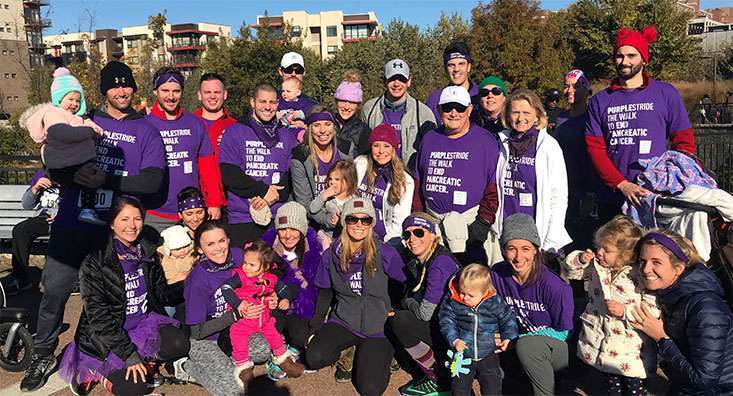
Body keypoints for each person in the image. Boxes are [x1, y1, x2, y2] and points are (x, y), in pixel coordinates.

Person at [21, 61, 166, 392]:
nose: (121, 91)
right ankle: (43, 353)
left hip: (114, 233)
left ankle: (105, 359)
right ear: (103, 91)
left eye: (126, 85)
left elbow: (153, 181)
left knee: (111, 302)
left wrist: (108, 179)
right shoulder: (82, 120)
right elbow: (53, 165)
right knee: (55, 290)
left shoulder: (147, 130)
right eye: (114, 86)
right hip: (73, 222)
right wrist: (71, 176)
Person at [57, 196, 189, 395]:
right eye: (124, 219)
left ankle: (145, 362)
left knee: (179, 343)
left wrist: (190, 283)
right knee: (135, 387)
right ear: (112, 223)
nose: (132, 225)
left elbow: (161, 295)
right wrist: (130, 356)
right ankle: (98, 371)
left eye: (137, 219)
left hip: (143, 326)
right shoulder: (96, 258)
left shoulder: (146, 252)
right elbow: (98, 317)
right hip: (108, 336)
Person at [585, 26, 696, 223]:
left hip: (655, 198)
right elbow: (595, 149)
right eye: (619, 56)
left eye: (631, 55)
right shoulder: (600, 100)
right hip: (613, 198)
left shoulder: (666, 93)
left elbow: (684, 143)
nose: (624, 61)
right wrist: (621, 184)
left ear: (644, 59)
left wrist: (667, 181)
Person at [306, 197, 407, 396]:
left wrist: (395, 314)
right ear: (345, 221)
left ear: (371, 224)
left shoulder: (386, 253)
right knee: (314, 356)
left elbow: (403, 284)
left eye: (365, 220)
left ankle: (382, 354)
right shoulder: (331, 255)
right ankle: (350, 350)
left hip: (379, 326)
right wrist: (315, 327)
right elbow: (325, 292)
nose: (359, 224)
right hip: (345, 320)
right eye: (353, 219)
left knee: (370, 389)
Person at [561, 216, 657, 395]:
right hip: (603, 341)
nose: (599, 252)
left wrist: (625, 311)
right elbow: (572, 272)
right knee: (611, 386)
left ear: (626, 254)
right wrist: (580, 259)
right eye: (599, 247)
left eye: (607, 249)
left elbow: (652, 307)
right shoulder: (597, 266)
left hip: (631, 346)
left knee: (634, 387)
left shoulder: (640, 274)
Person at [631, 230, 733, 395]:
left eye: (656, 262)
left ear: (678, 268)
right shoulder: (671, 294)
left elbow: (704, 379)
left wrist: (662, 339)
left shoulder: (705, 309)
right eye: (642, 261)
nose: (645, 269)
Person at [183, 220, 274, 395]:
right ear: (200, 249)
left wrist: (271, 294)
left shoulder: (240, 257)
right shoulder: (198, 279)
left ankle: (225, 361)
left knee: (263, 349)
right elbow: (197, 332)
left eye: (221, 241)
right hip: (206, 338)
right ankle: (187, 366)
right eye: (210, 244)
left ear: (229, 240)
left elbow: (263, 276)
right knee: (234, 391)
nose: (218, 248)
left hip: (234, 330)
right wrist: (235, 315)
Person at [413, 86, 500, 265]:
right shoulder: (429, 139)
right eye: (447, 108)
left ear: (469, 109)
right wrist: (419, 219)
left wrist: (482, 223)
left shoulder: (485, 141)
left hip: (471, 228)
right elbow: (418, 182)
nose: (454, 113)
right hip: (434, 227)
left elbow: (495, 188)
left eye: (459, 108)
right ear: (439, 110)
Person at [491, 213, 574, 395]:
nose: (518, 257)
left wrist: (516, 340)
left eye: (526, 249)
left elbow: (563, 332)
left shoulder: (554, 286)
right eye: (512, 248)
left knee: (528, 346)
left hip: (558, 348)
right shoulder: (497, 274)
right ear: (503, 249)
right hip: (517, 341)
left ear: (536, 249)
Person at [388, 213, 459, 396]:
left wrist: (406, 302)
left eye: (419, 232)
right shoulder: (421, 258)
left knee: (401, 321)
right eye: (407, 235)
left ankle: (439, 378)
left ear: (432, 235)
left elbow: (425, 313)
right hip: (444, 325)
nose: (412, 239)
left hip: (455, 333)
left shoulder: (439, 263)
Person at [23, 67, 105, 225]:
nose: (74, 104)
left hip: (77, 160)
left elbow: (92, 126)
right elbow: (63, 133)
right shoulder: (54, 114)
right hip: (62, 161)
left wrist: (95, 129)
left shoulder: (77, 117)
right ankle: (64, 212)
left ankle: (87, 209)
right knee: (67, 188)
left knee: (89, 181)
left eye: (78, 100)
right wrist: (88, 132)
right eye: (70, 99)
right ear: (59, 99)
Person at [219, 84, 298, 248]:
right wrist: (262, 191)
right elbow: (230, 173)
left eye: (272, 102)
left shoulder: (286, 135)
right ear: (252, 102)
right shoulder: (235, 132)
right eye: (262, 101)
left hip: (277, 217)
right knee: (246, 269)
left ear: (277, 104)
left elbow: (291, 175)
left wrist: (274, 196)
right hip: (243, 217)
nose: (267, 107)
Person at [494, 88, 571, 253]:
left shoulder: (548, 146)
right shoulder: (501, 143)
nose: (521, 118)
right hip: (506, 228)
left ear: (537, 115)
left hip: (537, 231)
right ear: (507, 115)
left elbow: (558, 196)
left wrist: (550, 241)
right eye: (515, 112)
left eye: (526, 112)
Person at [145, 67, 222, 231]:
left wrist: (214, 202)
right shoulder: (144, 124)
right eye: (165, 90)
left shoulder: (194, 123)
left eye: (176, 91)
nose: (171, 97)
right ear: (155, 91)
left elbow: (207, 166)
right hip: (155, 213)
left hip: (191, 213)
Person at [220, 241, 305, 390]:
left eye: (251, 264)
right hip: (243, 322)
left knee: (275, 336)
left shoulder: (271, 279)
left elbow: (285, 289)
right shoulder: (241, 277)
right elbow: (226, 288)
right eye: (245, 263)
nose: (246, 267)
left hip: (264, 319)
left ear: (265, 267)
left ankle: (285, 362)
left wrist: (285, 298)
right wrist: (238, 304)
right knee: (239, 340)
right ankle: (243, 370)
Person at [439, 263, 519, 396]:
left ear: (485, 292)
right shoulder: (453, 300)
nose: (464, 297)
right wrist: (454, 340)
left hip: (488, 352)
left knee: (492, 388)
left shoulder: (493, 302)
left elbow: (508, 319)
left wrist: (509, 337)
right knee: (459, 389)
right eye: (462, 292)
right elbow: (446, 320)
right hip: (463, 353)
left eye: (470, 295)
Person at [262, 202, 324, 351]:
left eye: (293, 229)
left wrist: (294, 304)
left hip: (300, 304)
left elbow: (313, 288)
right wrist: (269, 296)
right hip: (275, 303)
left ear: (302, 230)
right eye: (282, 229)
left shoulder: (313, 251)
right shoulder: (266, 248)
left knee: (300, 336)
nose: (288, 235)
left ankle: (291, 344)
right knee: (266, 338)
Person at [362, 58, 436, 168]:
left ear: (409, 81)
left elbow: (431, 150)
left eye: (402, 79)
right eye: (392, 79)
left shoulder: (423, 113)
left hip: (409, 178)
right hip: (377, 177)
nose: (397, 84)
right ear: (384, 81)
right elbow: (364, 146)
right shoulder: (369, 109)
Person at [554, 69, 597, 250]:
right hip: (564, 188)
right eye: (566, 86)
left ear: (587, 90)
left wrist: (591, 193)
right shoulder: (560, 118)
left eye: (576, 86)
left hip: (586, 191)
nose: (569, 90)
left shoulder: (592, 118)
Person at [290, 107, 351, 229]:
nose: (323, 130)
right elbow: (305, 204)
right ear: (309, 129)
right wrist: (328, 220)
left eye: (327, 124)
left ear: (334, 128)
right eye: (317, 125)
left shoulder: (346, 150)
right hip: (313, 219)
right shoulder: (300, 156)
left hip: (344, 214)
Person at [1, 171, 58, 295]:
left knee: (60, 234)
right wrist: (35, 188)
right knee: (20, 230)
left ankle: (55, 280)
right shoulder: (41, 175)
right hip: (43, 219)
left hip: (65, 219)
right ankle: (21, 278)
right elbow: (27, 205)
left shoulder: (73, 175)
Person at [355, 124, 414, 245]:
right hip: (355, 231)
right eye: (376, 145)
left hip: (383, 240)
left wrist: (385, 245)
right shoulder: (360, 164)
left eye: (386, 146)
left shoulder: (404, 180)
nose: (381, 151)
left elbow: (399, 222)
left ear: (394, 149)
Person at [194, 72, 236, 209]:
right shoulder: (189, 124)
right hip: (195, 201)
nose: (212, 96)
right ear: (199, 95)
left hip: (230, 201)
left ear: (225, 95)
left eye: (217, 92)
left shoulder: (236, 127)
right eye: (207, 92)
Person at [425, 41, 480, 124]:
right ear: (445, 69)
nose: (456, 69)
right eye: (451, 65)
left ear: (468, 67)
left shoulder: (481, 96)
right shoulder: (435, 99)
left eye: (461, 64)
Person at [309, 159, 359, 248]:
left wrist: (341, 222)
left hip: (344, 238)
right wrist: (324, 195)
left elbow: (356, 221)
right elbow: (312, 209)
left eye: (337, 179)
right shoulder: (329, 197)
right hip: (325, 235)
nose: (332, 182)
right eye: (330, 179)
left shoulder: (354, 200)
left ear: (349, 181)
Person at [277, 51, 318, 131]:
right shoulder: (271, 100)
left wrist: (306, 128)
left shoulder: (312, 104)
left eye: (298, 70)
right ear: (280, 71)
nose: (293, 74)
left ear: (304, 73)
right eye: (288, 70)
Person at [333, 70, 371, 156]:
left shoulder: (364, 131)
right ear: (336, 101)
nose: (346, 107)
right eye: (343, 101)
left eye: (352, 102)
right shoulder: (326, 124)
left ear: (358, 105)